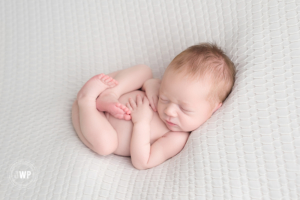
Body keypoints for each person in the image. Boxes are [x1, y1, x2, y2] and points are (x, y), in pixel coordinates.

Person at [71, 42, 236, 170]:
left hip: (96, 122)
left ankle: (86, 99)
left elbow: (143, 162)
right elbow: (150, 82)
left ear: (214, 108)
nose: (169, 110)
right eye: (164, 98)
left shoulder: (176, 138)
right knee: (144, 71)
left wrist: (141, 122)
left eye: (184, 109)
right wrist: (150, 85)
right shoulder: (170, 91)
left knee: (106, 145)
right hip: (112, 97)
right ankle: (110, 94)